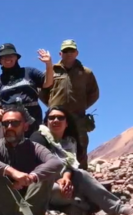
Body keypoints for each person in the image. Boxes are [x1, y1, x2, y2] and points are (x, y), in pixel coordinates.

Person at [30, 107, 133, 215]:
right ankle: (83, 205)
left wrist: (66, 178)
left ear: (67, 123)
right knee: (58, 189)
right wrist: (57, 180)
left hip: (63, 182)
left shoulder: (70, 142)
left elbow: (69, 165)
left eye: (60, 117)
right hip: (43, 184)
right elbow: (36, 166)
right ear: (46, 122)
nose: (56, 120)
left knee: (82, 174)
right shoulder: (38, 138)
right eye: (52, 118)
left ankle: (118, 208)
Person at [0, 108, 63, 215]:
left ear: (25, 127)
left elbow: (55, 163)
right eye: (5, 123)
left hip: (30, 206)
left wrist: (31, 177)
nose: (9, 127)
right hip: (3, 209)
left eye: (15, 123)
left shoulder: (35, 147)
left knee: (45, 173)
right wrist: (13, 172)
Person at [39, 39, 100, 170]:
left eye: (71, 51)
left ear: (77, 53)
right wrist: (53, 107)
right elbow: (42, 92)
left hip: (78, 117)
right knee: (53, 146)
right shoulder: (52, 71)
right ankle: (55, 181)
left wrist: (81, 107)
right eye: (65, 51)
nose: (69, 53)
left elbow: (94, 94)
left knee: (81, 148)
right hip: (56, 118)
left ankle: (82, 182)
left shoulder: (86, 73)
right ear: (60, 54)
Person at [0, 43, 54, 138]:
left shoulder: (30, 72)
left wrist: (48, 64)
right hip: (9, 118)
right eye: (3, 57)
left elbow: (48, 83)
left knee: (36, 146)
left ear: (16, 57)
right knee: (4, 147)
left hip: (32, 117)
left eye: (10, 55)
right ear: (0, 61)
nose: (7, 59)